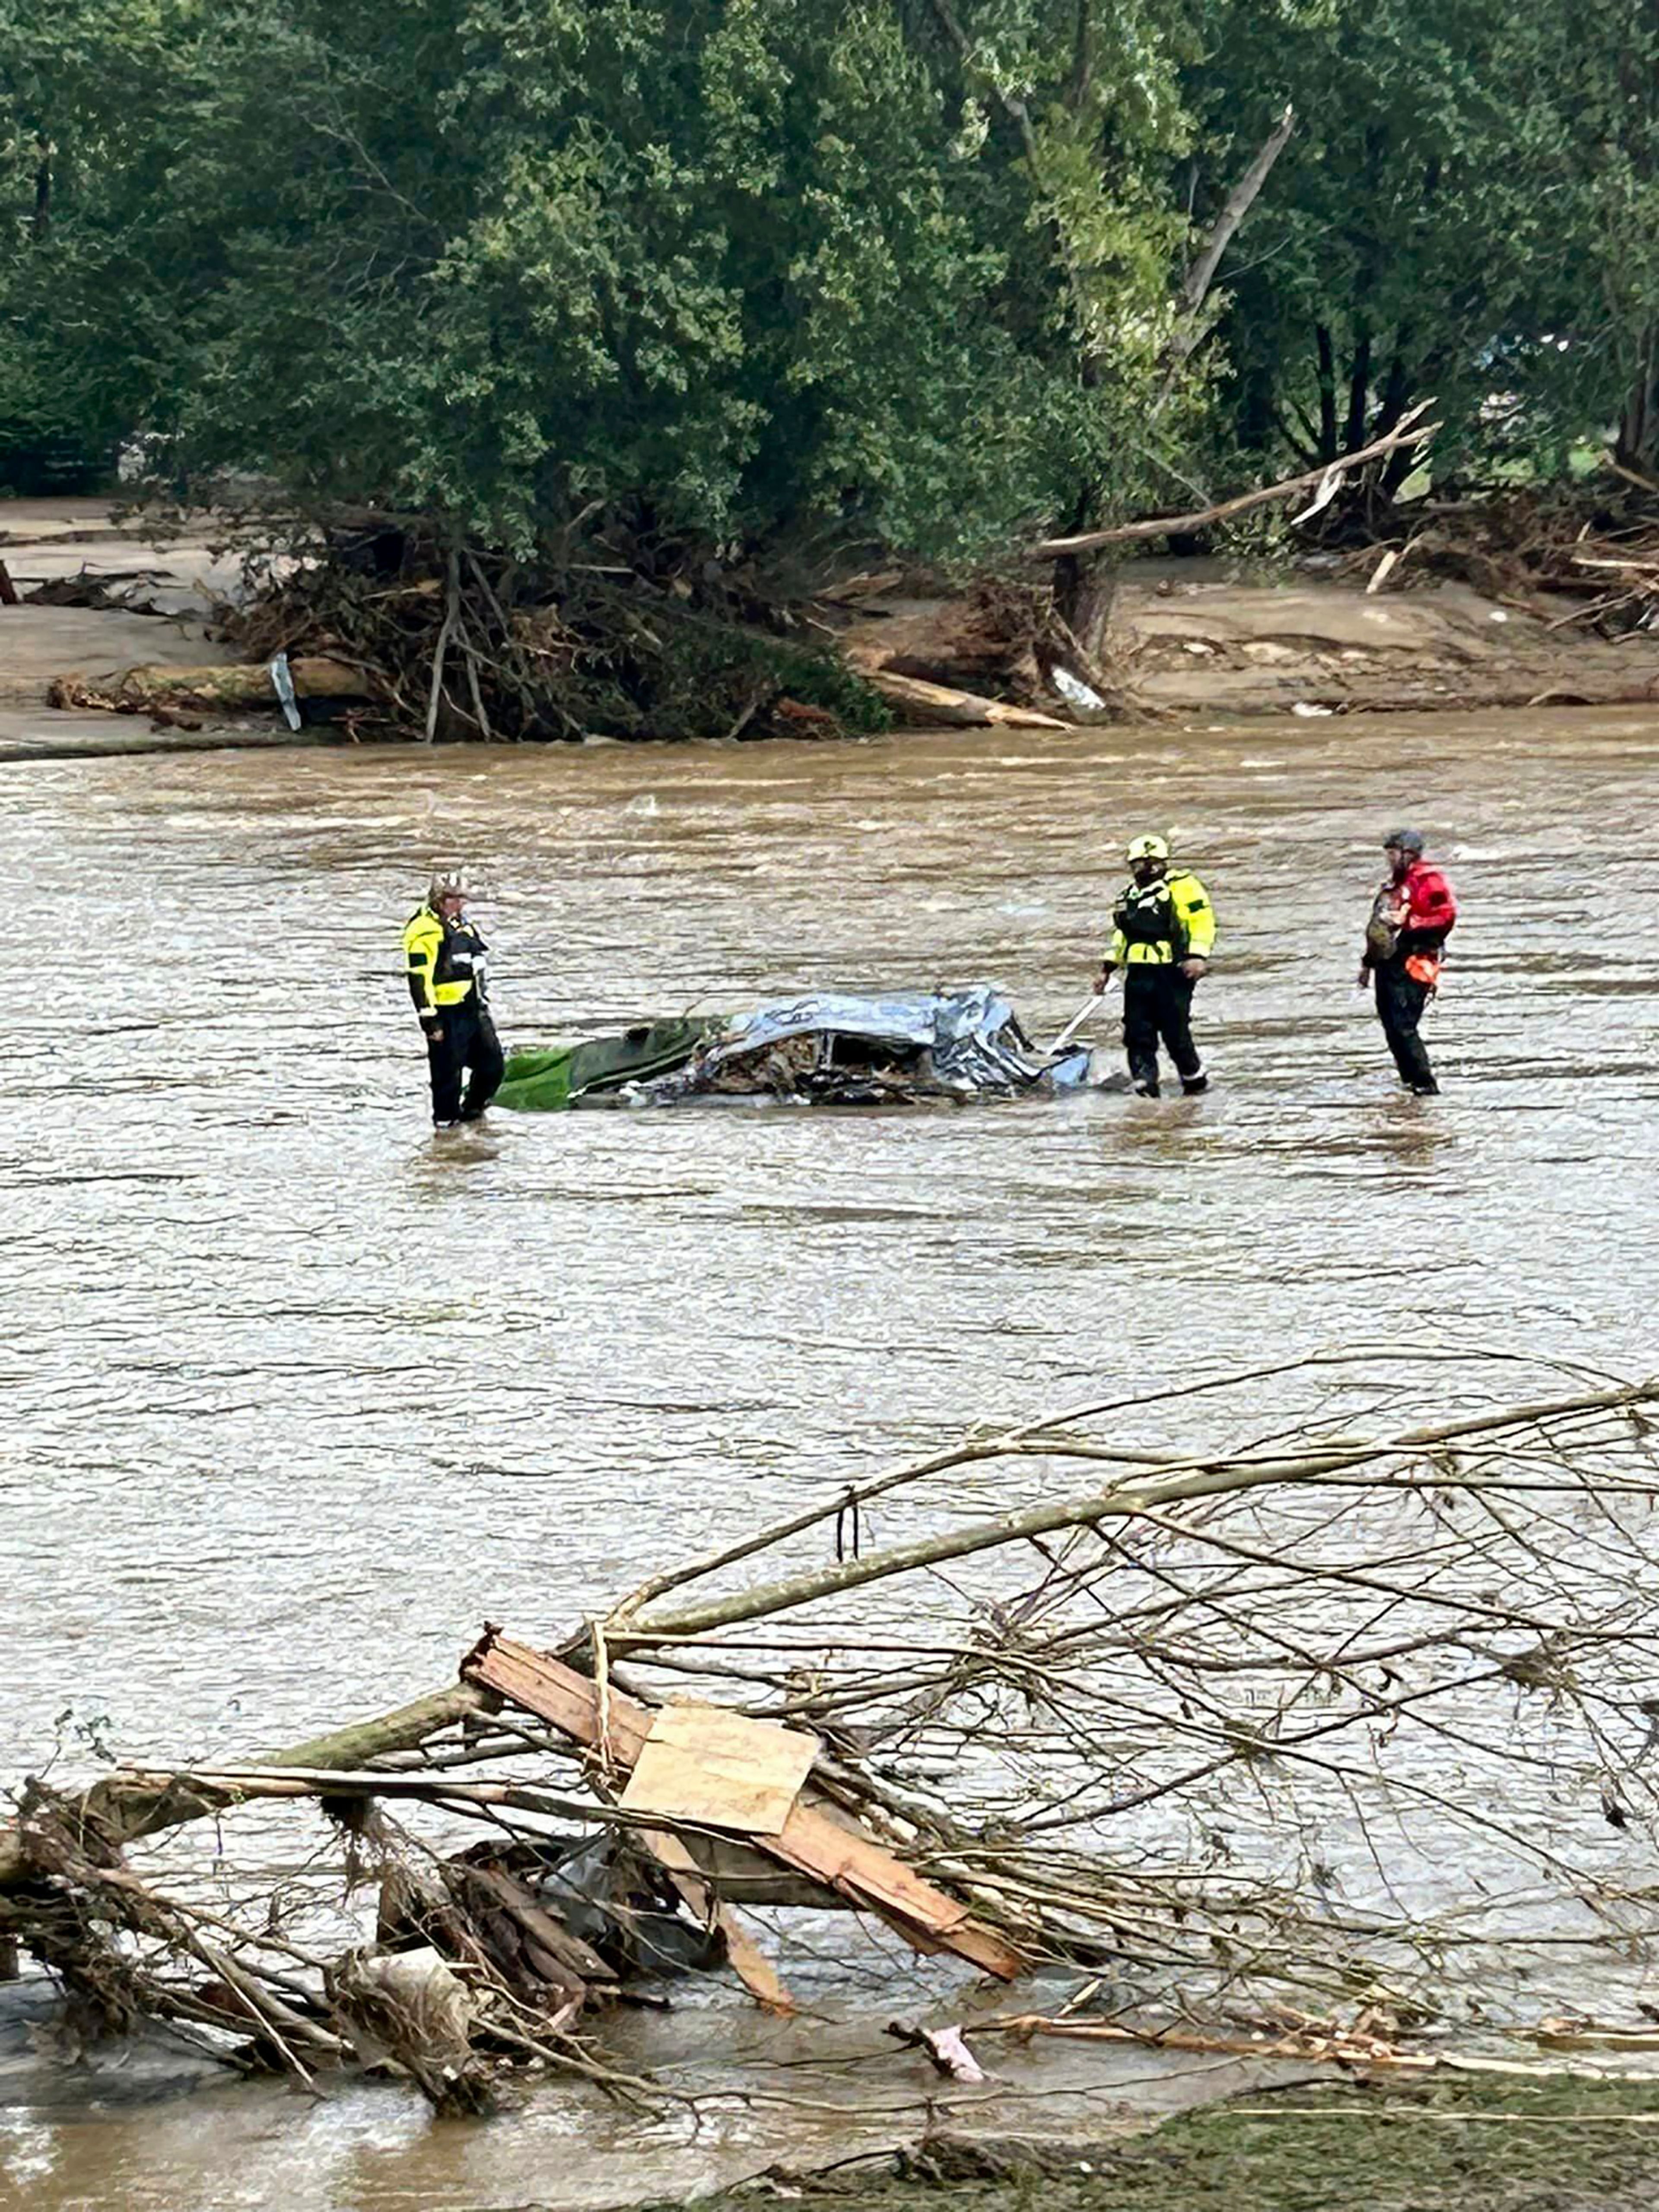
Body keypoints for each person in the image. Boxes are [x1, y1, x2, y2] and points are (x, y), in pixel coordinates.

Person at [1095, 833, 1216, 1097]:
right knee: (1137, 1031)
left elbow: (1201, 921)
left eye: (1144, 864)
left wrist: (1197, 956)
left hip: (1172, 971)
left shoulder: (1183, 887)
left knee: (1175, 1031)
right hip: (1139, 973)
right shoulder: (1130, 895)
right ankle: (1145, 1084)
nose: (1140, 870)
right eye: (1136, 865)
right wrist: (1107, 968)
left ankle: (1194, 1081)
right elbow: (1122, 935)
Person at [1357, 828, 1457, 1096]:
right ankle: (1409, 1083)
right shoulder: (1393, 886)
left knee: (1404, 1027)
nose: (1389, 859)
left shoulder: (1429, 881)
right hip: (1387, 964)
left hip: (1414, 961)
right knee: (1391, 1026)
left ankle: (1426, 1086)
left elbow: (1446, 916)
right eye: (1388, 854)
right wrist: (1368, 964)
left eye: (1393, 854)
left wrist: (1412, 922)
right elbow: (1378, 930)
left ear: (1409, 855)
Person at [403, 868, 504, 1125]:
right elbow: (419, 977)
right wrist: (430, 1020)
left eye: (462, 898)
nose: (459, 904)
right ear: (438, 900)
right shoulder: (423, 930)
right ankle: (447, 1136)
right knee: (447, 1078)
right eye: (452, 899)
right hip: (445, 1014)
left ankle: (473, 1113)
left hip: (472, 1009)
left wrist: (482, 1002)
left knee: (492, 1067)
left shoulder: (463, 925)